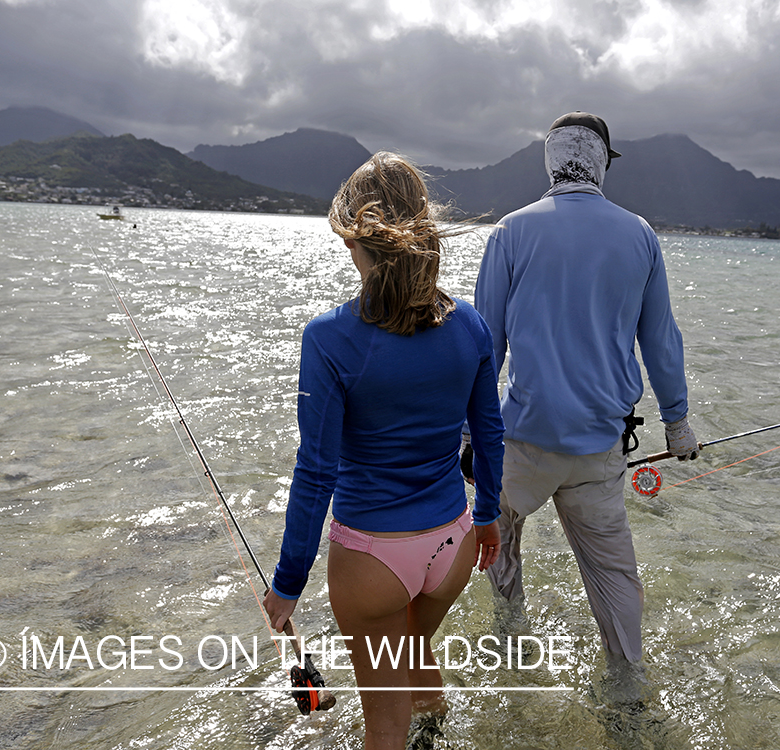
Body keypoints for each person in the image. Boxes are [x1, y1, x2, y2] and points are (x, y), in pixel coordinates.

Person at [263, 152, 505, 750]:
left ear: (355, 236)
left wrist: (288, 581)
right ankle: (436, 736)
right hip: (453, 544)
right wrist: (490, 515)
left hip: (373, 559)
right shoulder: (471, 325)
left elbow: (316, 474)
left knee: (383, 728)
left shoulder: (328, 338)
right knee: (417, 659)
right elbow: (490, 432)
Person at [472, 112, 699, 683]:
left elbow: (482, 346)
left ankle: (510, 638)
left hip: (523, 444)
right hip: (600, 448)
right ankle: (627, 689)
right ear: (601, 161)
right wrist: (677, 424)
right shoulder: (639, 234)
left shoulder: (509, 232)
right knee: (613, 578)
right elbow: (661, 339)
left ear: (550, 158)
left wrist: (465, 435)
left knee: (496, 539)